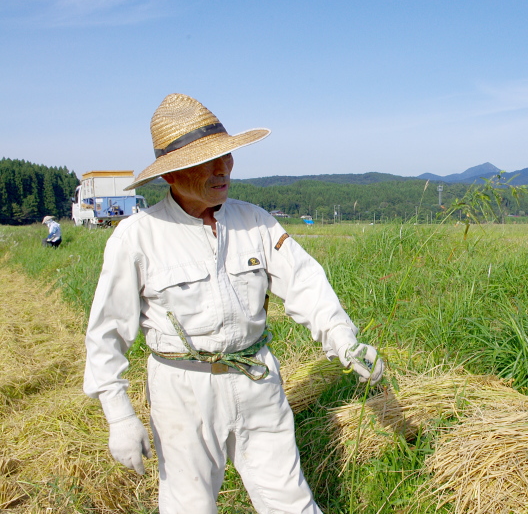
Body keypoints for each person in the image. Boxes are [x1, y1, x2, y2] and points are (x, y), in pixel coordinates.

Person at [83, 93, 384, 513]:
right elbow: (106, 332)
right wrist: (118, 414)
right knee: (191, 505)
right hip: (182, 393)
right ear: (171, 176)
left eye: (224, 156)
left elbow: (305, 283)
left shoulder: (255, 221)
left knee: (291, 502)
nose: (222, 169)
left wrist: (342, 339)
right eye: (205, 161)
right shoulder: (138, 237)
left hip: (258, 381)